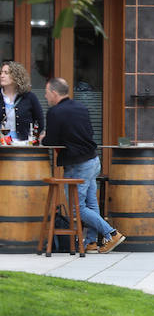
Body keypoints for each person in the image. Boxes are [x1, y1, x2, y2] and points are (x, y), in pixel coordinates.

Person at [41, 77, 123, 252]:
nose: (46, 97)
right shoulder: (81, 108)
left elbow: (51, 141)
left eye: (47, 93)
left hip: (77, 165)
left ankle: (112, 233)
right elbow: (88, 133)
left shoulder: (55, 112)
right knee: (91, 205)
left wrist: (43, 138)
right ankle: (92, 242)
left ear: (54, 93)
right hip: (93, 160)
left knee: (77, 209)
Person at [1, 60, 43, 143]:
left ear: (16, 76)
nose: (2, 76)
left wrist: (34, 140)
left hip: (23, 145)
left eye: (6, 73)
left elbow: (39, 122)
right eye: (1, 72)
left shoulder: (29, 97)